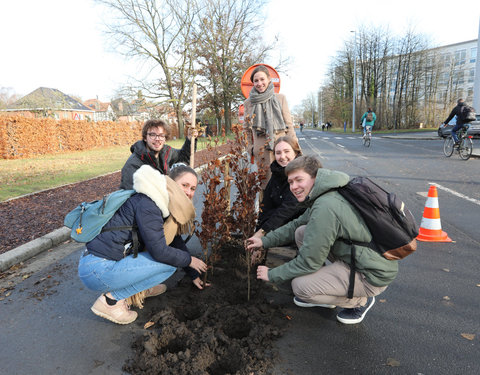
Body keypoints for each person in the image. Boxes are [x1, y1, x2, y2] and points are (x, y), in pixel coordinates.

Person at [246, 155, 398, 325]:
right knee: (301, 232)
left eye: (299, 180)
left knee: (300, 287)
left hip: (370, 274)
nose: (294, 187)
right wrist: (264, 241)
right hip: (357, 256)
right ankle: (329, 284)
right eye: (290, 182)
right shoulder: (327, 193)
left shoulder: (325, 207)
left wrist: (272, 274)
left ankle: (360, 300)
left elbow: (308, 263)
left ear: (315, 177)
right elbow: (295, 224)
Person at [78, 164, 208, 325]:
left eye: (193, 188)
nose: (188, 192)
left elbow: (174, 241)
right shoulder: (150, 204)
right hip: (97, 270)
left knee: (173, 257)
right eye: (185, 185)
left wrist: (193, 274)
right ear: (171, 182)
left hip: (101, 264)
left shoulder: (162, 203)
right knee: (168, 264)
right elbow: (160, 251)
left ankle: (142, 287)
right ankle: (111, 302)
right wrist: (189, 260)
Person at [243, 64, 299, 186]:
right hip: (261, 152)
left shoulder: (280, 98)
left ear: (269, 79)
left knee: (286, 183)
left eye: (262, 79)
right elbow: (246, 129)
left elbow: (289, 125)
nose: (259, 83)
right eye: (256, 81)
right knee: (265, 186)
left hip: (281, 150)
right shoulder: (248, 103)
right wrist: (250, 148)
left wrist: (295, 147)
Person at [253, 136, 305, 243]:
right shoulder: (277, 172)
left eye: (287, 152)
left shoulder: (302, 174)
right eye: (278, 153)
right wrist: (256, 234)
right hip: (278, 227)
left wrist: (261, 234)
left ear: (295, 153)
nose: (282, 157)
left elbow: (286, 210)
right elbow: (265, 206)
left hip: (300, 229)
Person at [120, 119, 197, 190]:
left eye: (161, 135)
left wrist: (190, 139)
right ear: (145, 138)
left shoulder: (166, 152)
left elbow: (183, 157)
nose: (157, 139)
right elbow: (131, 196)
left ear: (165, 138)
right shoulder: (133, 165)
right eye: (153, 135)